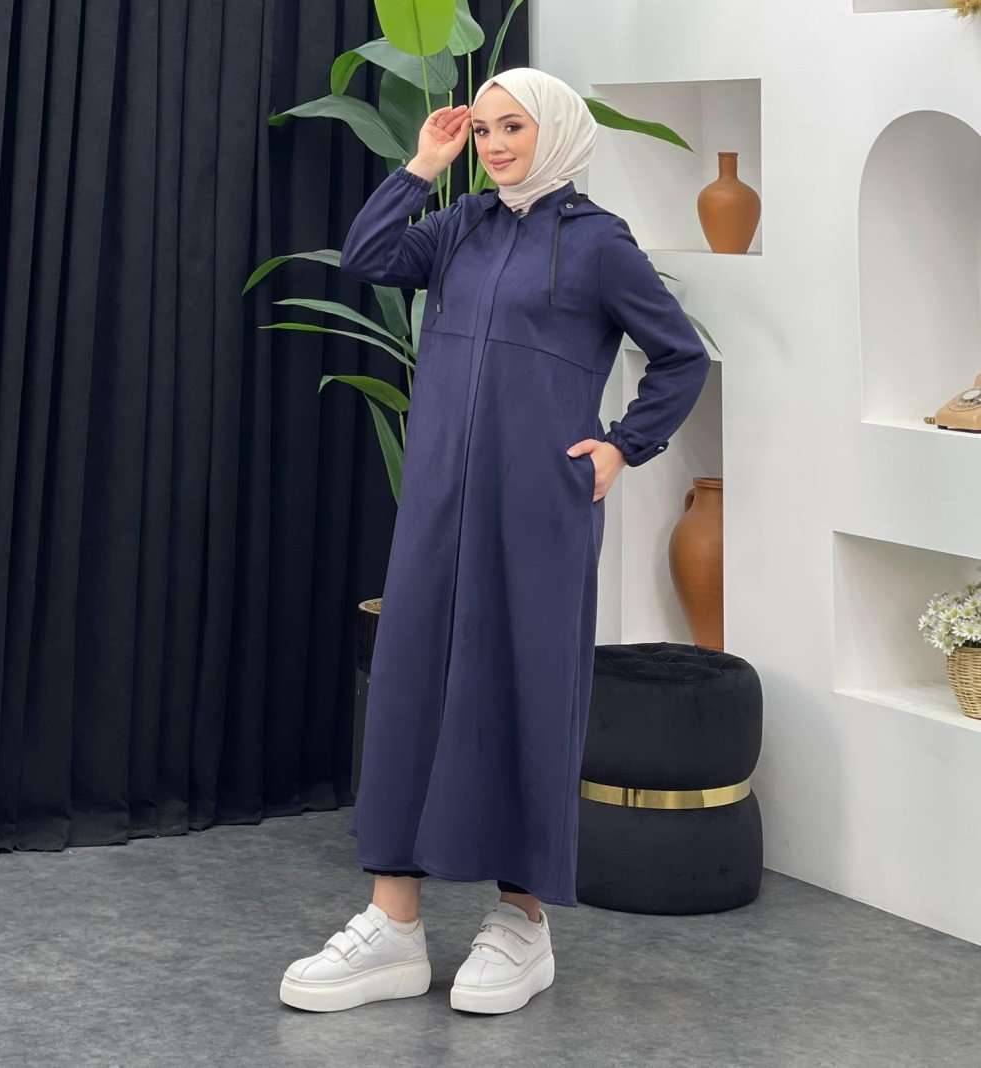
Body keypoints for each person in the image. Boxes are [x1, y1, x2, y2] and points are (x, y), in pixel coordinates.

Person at [279, 67, 711, 1016]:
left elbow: (681, 356)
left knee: (527, 687)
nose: (496, 145)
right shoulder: (460, 226)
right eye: (482, 130)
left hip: (539, 506)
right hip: (439, 498)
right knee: (410, 685)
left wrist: (622, 446)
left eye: (513, 127)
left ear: (555, 130)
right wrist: (422, 165)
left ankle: (522, 922)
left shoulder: (599, 243)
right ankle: (393, 924)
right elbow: (367, 257)